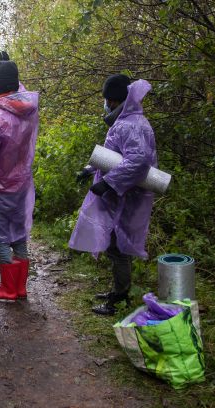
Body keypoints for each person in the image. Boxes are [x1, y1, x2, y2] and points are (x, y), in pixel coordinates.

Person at [69, 74, 156, 315]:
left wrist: (108, 183)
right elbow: (113, 156)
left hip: (126, 196)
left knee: (119, 247)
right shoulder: (126, 122)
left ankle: (119, 298)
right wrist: (90, 169)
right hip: (119, 196)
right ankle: (119, 290)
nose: (104, 104)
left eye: (106, 99)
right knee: (115, 244)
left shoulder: (132, 125)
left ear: (114, 101)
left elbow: (137, 162)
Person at [0, 52, 39, 302]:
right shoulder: (28, 108)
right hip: (23, 183)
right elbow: (18, 87)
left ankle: (8, 288)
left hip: (1, 184)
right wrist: (9, 64)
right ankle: (21, 288)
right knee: (20, 233)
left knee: (2, 236)